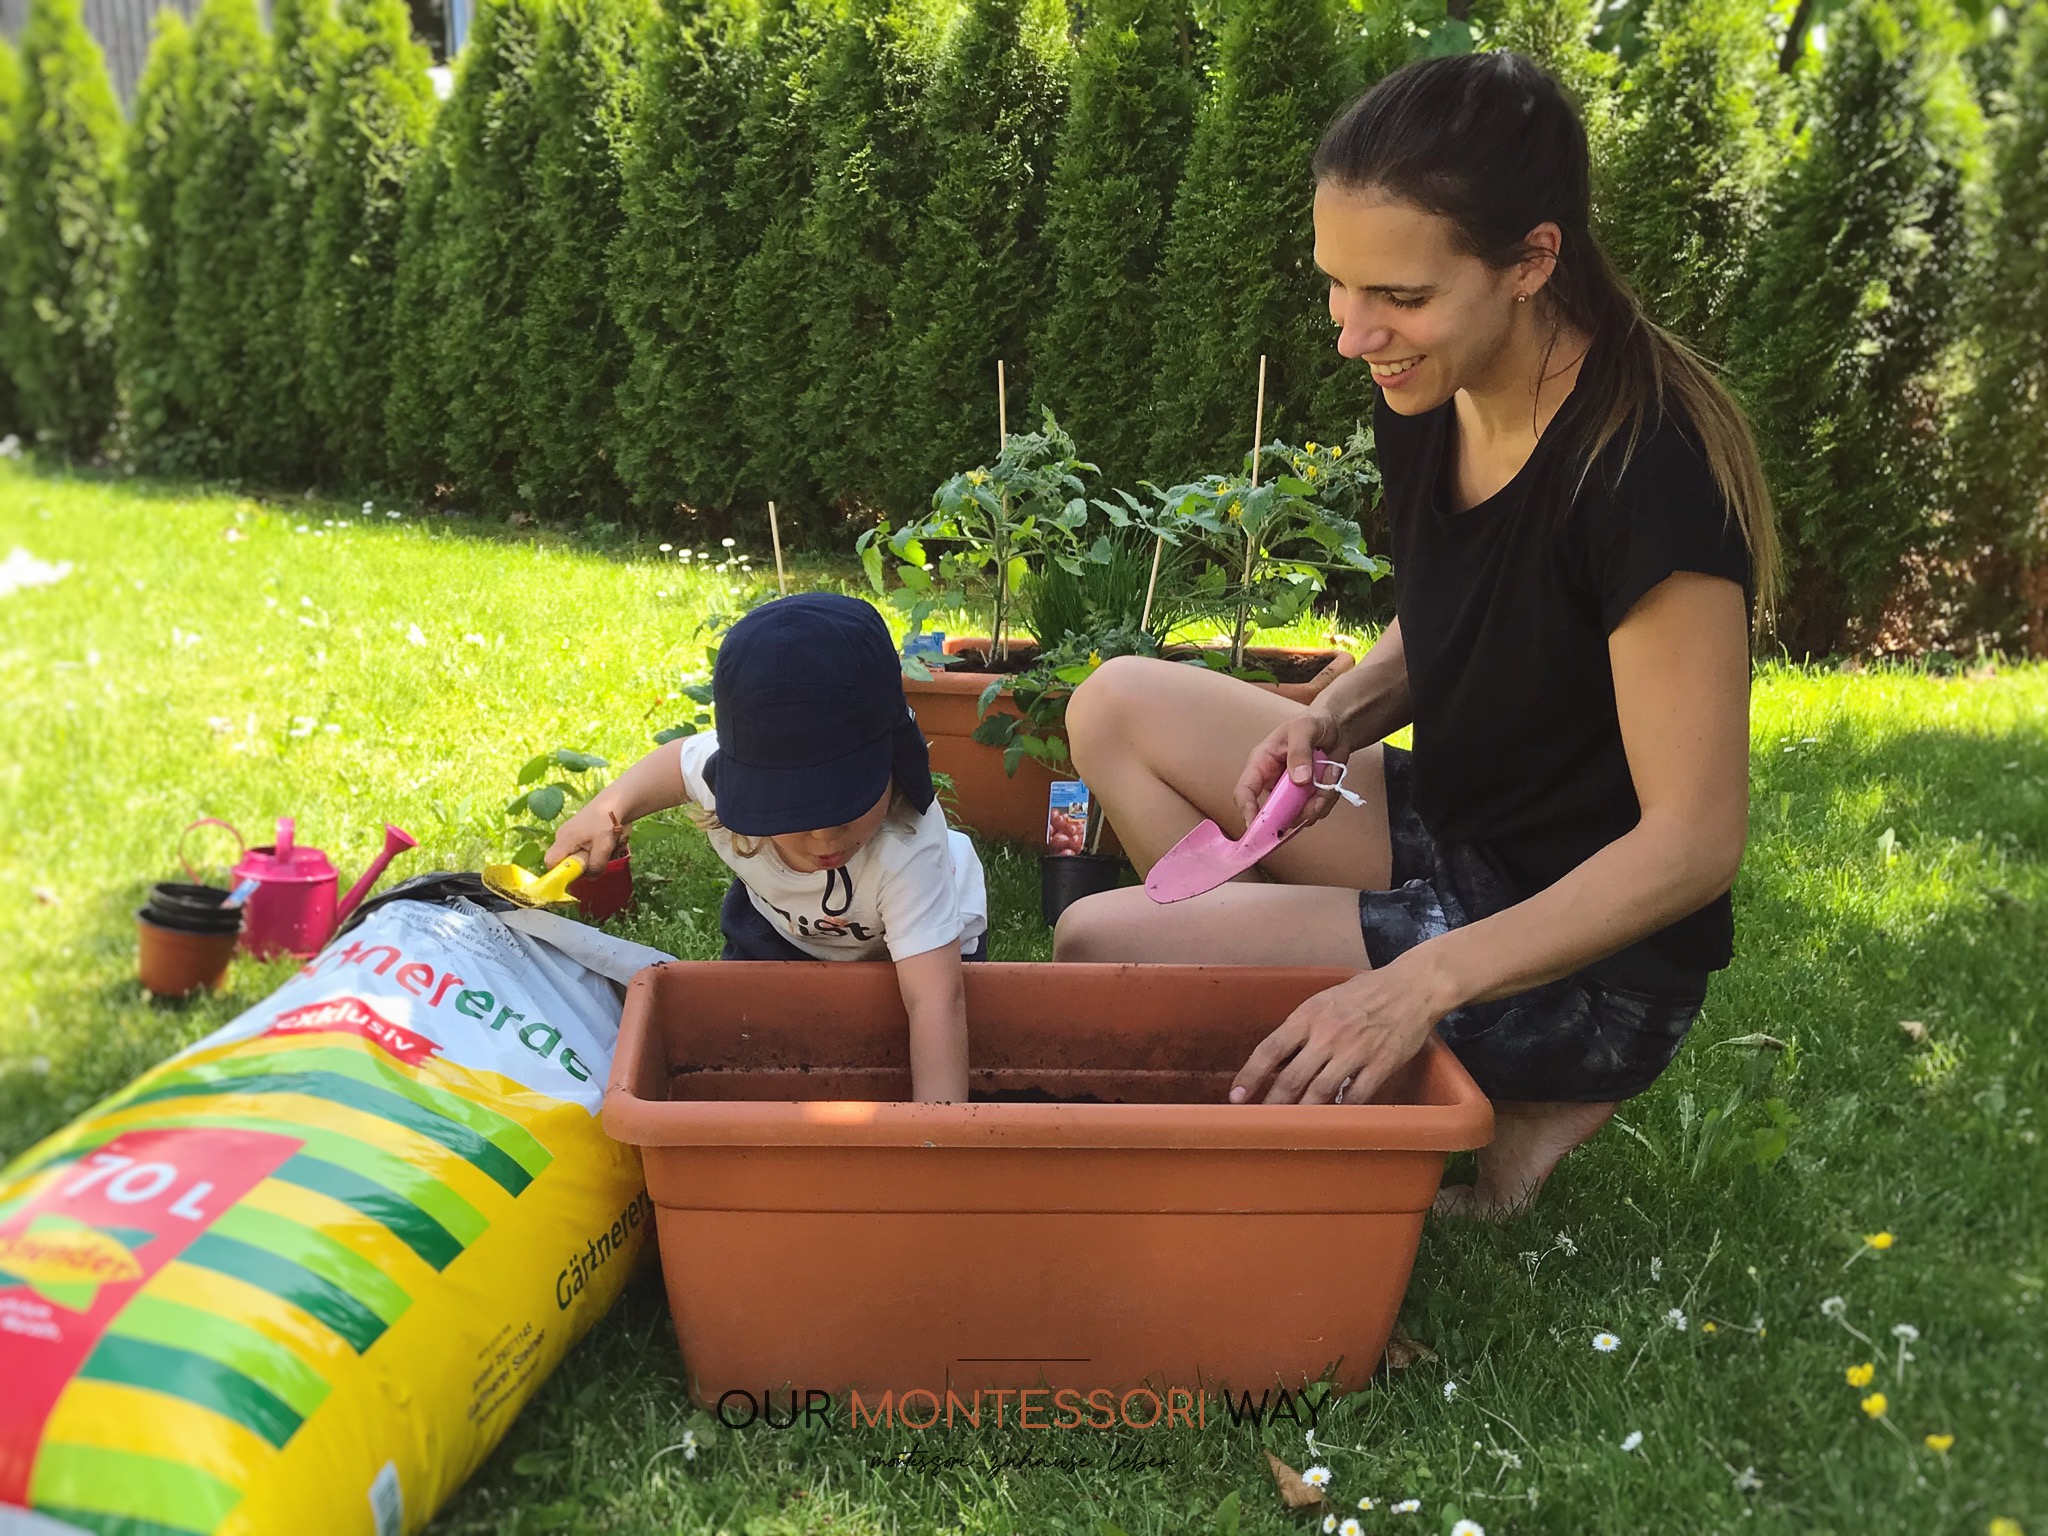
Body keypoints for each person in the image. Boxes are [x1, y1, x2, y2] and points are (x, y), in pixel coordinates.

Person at [1052, 50, 1778, 1217]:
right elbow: (1474, 605)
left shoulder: (1646, 479)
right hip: (1461, 830)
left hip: (1578, 956)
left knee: (1095, 943)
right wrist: (1331, 716)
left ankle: (1446, 1075)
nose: (1353, 334)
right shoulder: (1434, 389)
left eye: (1397, 295)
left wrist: (1419, 983)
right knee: (1115, 703)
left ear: (1531, 261)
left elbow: (1691, 845)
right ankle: (1291, 1021)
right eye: (1337, 285)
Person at [546, 593, 986, 1103]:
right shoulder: (723, 773)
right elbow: (678, 762)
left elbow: (936, 1002)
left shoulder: (908, 847)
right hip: (780, 926)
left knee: (889, 1043)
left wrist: (935, 1141)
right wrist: (606, 810)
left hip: (912, 940)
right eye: (794, 813)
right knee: (750, 1039)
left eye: (845, 807)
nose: (824, 838)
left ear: (892, 762)